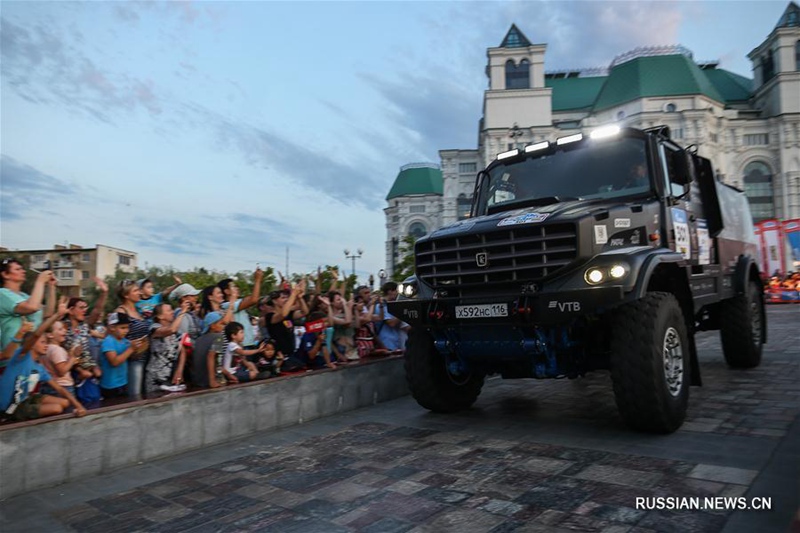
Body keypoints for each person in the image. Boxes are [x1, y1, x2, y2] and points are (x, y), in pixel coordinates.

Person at [0, 298, 87, 421]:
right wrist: (57, 315)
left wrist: (79, 407)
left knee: (65, 403)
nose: (46, 345)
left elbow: (60, 388)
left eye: (46, 342)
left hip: (24, 399)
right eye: (42, 342)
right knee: (56, 408)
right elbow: (36, 334)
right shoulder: (21, 356)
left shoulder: (39, 368)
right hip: (9, 408)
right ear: (32, 345)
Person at [0, 259, 54, 353]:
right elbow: (32, 307)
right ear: (5, 274)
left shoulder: (24, 296)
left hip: (30, 355)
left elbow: (48, 313)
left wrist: (51, 286)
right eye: (18, 269)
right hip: (12, 358)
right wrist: (40, 281)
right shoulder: (2, 294)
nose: (23, 271)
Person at [114, 280, 151, 398]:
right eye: (135, 290)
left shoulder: (138, 311)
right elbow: (113, 337)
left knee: (145, 394)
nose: (140, 293)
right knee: (135, 395)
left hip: (146, 357)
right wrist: (130, 344)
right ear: (126, 295)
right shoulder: (121, 312)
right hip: (134, 359)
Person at [145, 302, 189, 395]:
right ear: (160, 316)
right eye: (169, 310)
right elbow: (171, 330)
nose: (172, 312)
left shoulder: (173, 332)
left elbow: (182, 350)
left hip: (171, 379)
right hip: (156, 379)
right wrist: (182, 312)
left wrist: (179, 371)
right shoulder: (154, 328)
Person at [99, 312, 145, 399]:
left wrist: (140, 349)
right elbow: (114, 362)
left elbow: (131, 357)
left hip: (123, 382)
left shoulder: (125, 341)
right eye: (122, 328)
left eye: (127, 327)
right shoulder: (108, 341)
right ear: (112, 327)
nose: (126, 331)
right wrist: (131, 349)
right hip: (110, 385)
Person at [218, 267, 264, 348]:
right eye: (234, 286)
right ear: (227, 291)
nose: (237, 288)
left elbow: (253, 297)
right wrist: (257, 280)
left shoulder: (237, 302)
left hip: (248, 343)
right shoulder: (227, 305)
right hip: (243, 345)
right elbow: (254, 300)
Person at [264, 281, 309, 357]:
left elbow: (305, 312)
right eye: (283, 298)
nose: (286, 300)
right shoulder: (270, 316)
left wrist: (300, 298)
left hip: (291, 352)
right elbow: (283, 314)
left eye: (287, 297)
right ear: (274, 301)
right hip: (279, 356)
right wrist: (293, 294)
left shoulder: (290, 313)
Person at [190, 311, 227, 388]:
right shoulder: (218, 337)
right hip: (209, 379)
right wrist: (212, 381)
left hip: (199, 380)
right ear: (213, 326)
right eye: (221, 324)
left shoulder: (199, 339)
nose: (223, 326)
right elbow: (211, 356)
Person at [375, 282, 410, 353]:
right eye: (396, 291)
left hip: (395, 342)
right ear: (390, 291)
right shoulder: (380, 306)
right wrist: (403, 312)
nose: (397, 294)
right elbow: (391, 323)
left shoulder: (391, 306)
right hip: (386, 342)